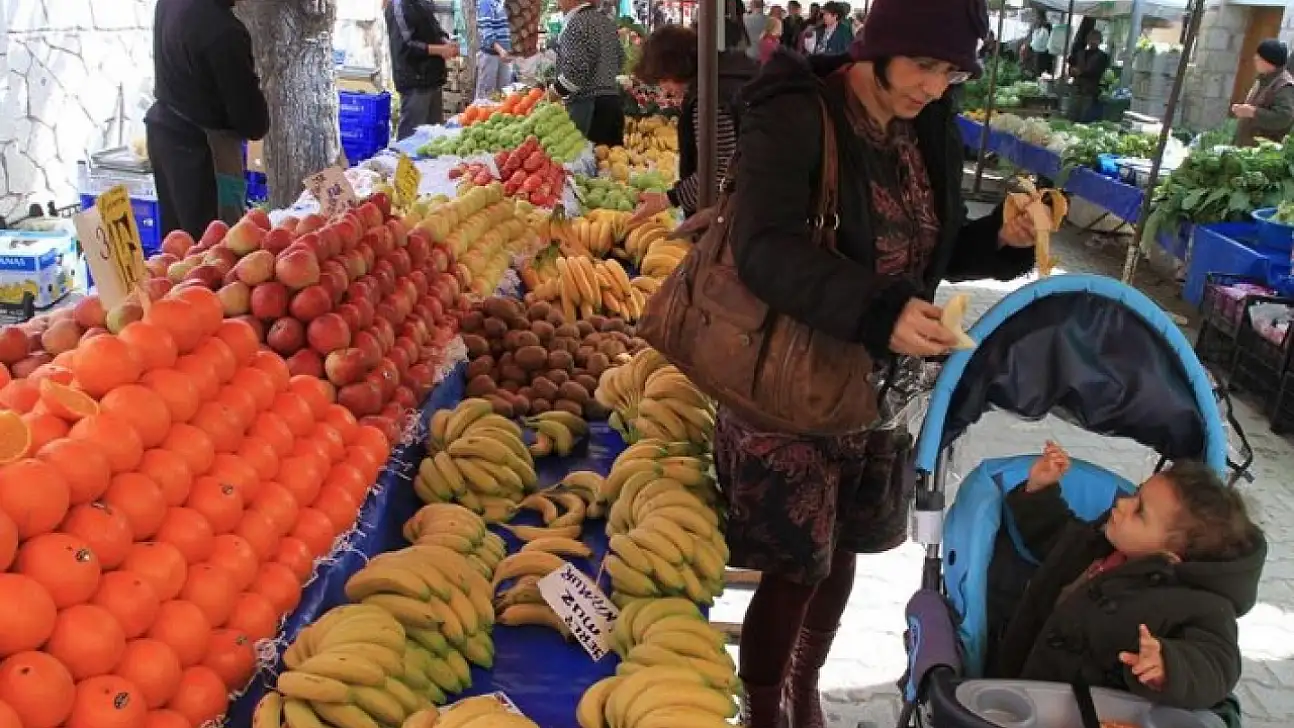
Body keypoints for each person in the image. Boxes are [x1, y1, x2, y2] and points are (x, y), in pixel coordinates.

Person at [717, 0, 1040, 723]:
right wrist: (880, 311)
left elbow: (932, 247)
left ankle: (805, 682)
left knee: (843, 550)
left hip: (876, 392)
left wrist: (1003, 238)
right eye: (924, 65)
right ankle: (764, 705)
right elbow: (762, 248)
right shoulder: (797, 113)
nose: (935, 85)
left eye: (952, 72)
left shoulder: (927, 121)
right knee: (793, 566)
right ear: (879, 46)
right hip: (793, 383)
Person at [986, 442, 1263, 711]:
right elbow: (1054, 536)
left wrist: (1169, 666)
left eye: (1139, 511)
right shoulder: (1098, 545)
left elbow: (1218, 663)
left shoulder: (1201, 606)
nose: (1122, 502)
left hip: (1084, 713)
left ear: (1170, 556)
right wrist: (1039, 490)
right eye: (1136, 493)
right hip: (1017, 680)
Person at [146, 0, 269, 239]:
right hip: (206, 157)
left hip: (165, 135)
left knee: (179, 244)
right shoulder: (223, 31)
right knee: (217, 248)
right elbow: (253, 123)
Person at [630, 24, 758, 223]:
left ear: (674, 68)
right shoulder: (729, 73)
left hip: (744, 215)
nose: (664, 89)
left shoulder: (710, 97)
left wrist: (667, 199)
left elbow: (718, 173)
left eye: (663, 79)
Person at [553, 0, 626, 145]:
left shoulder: (575, 24)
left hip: (589, 111)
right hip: (613, 106)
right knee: (609, 157)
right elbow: (620, 59)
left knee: (588, 157)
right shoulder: (606, 22)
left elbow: (575, 73)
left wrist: (554, 91)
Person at [387, 0, 460, 140]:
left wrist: (447, 42)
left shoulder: (421, 3)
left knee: (434, 136)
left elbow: (435, 30)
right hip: (415, 80)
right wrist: (440, 50)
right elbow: (406, 46)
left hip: (433, 78)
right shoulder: (399, 5)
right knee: (410, 138)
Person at [1232, 39, 1294, 147]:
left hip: (1262, 150)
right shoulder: (1264, 78)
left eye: (1259, 58)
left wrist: (1253, 112)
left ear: (1269, 62)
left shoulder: (1284, 85)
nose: (1255, 59)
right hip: (1245, 146)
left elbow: (1284, 117)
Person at [1067, 29, 1109, 122]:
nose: (1093, 41)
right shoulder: (1080, 53)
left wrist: (1081, 72)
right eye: (1091, 39)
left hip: (1090, 91)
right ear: (1087, 40)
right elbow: (1071, 67)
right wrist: (1072, 71)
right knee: (1071, 115)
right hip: (1076, 89)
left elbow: (1098, 72)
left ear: (1100, 41)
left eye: (1096, 39)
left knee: (1084, 117)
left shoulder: (1103, 56)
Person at [475, 0, 513, 99]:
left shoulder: (499, 3)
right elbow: (486, 30)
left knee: (503, 94)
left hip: (503, 55)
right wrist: (500, 50)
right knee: (486, 96)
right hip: (490, 56)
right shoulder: (485, 2)